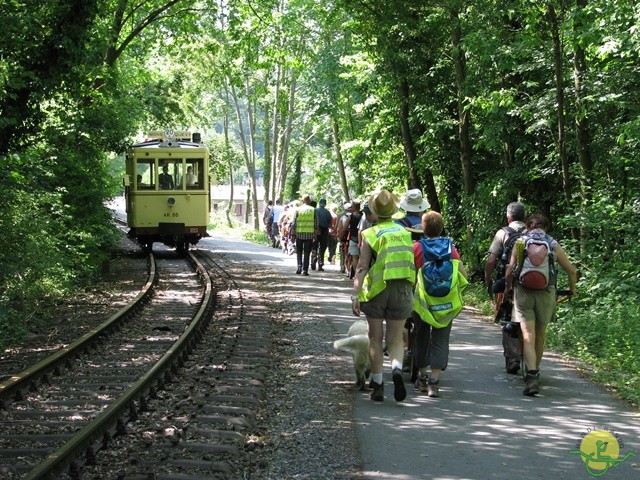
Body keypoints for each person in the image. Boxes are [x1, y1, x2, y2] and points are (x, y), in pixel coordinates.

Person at [352, 190, 416, 402]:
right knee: (396, 338)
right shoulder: (405, 233)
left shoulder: (370, 234)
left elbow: (362, 267)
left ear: (375, 211)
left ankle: (378, 384)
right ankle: (396, 368)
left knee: (375, 338)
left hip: (377, 291)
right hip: (402, 290)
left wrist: (356, 295)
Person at [505, 213, 578, 396]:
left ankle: (531, 376)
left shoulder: (521, 242)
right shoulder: (552, 244)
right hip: (546, 292)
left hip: (523, 291)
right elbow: (571, 270)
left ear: (528, 226)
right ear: (546, 227)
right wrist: (572, 288)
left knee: (527, 334)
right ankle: (535, 371)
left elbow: (509, 270)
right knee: (540, 334)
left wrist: (508, 287)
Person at [412, 211, 468, 398]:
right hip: (445, 302)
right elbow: (463, 275)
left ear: (423, 228)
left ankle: (421, 377)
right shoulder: (450, 249)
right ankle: (434, 383)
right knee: (441, 338)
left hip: (422, 301)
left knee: (420, 336)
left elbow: (410, 275)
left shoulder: (417, 247)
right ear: (442, 227)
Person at [484, 201, 526, 374]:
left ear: (508, 217)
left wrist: (488, 279)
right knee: (527, 322)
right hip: (529, 283)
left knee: (509, 320)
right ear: (524, 217)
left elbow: (491, 260)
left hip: (508, 282)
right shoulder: (533, 233)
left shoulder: (503, 233)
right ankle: (528, 358)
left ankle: (512, 359)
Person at [292, 194, 317, 275]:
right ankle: (305, 270)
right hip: (309, 234)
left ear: (302, 201)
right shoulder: (313, 210)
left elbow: (294, 222)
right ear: (309, 200)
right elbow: (316, 223)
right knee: (307, 253)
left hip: (299, 233)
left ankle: (299, 267)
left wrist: (293, 232)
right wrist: (315, 233)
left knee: (299, 251)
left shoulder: (298, 209)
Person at [313, 198, 333, 271]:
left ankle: (313, 257)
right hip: (324, 231)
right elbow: (330, 222)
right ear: (325, 204)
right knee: (322, 247)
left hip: (316, 230)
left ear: (319, 203)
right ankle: (320, 263)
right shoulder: (327, 212)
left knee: (314, 245)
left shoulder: (315, 210)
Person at [347, 201, 362, 278]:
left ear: (354, 207)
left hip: (353, 238)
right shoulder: (363, 216)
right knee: (362, 257)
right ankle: (362, 274)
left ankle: (357, 275)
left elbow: (345, 227)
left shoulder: (351, 217)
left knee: (354, 258)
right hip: (362, 239)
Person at [336, 203, 352, 274]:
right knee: (350, 252)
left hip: (344, 236)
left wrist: (339, 236)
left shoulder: (342, 217)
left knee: (342, 251)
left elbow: (339, 228)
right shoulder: (356, 216)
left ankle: (342, 266)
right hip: (352, 236)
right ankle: (350, 267)